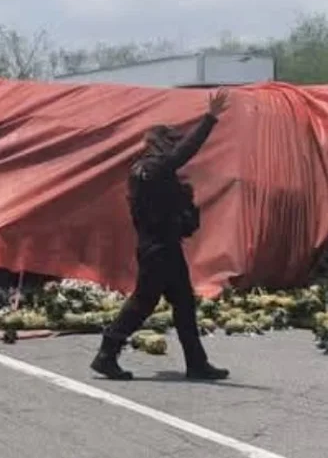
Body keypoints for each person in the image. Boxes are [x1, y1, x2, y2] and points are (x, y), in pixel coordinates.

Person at [90, 88, 231, 382]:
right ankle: (106, 353)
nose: (173, 147)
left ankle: (196, 362)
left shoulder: (148, 169)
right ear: (157, 144)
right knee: (143, 302)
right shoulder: (153, 167)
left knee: (183, 303)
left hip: (164, 245)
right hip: (158, 248)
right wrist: (210, 118)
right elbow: (185, 152)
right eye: (169, 143)